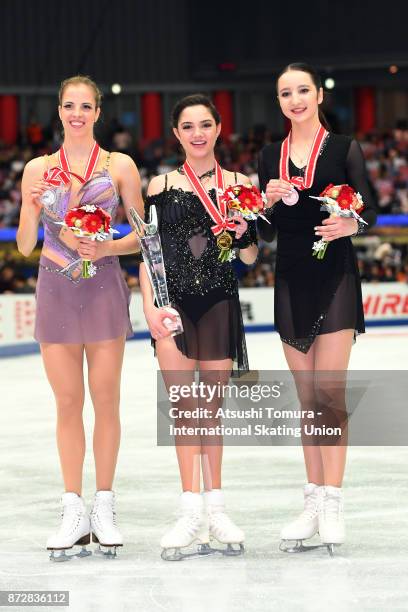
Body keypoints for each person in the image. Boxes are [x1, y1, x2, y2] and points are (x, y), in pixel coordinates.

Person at [17, 75, 143, 560]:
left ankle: (104, 507)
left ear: (97, 113)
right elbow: (26, 244)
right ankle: (73, 508)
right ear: (59, 109)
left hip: (104, 286)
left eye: (85, 106)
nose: (76, 113)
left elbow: (143, 235)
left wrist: (108, 244)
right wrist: (30, 208)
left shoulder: (119, 166)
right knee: (68, 404)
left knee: (105, 401)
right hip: (55, 287)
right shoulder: (37, 169)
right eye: (69, 105)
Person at [257, 63, 377, 553]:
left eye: (302, 90)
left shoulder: (346, 148)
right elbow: (263, 230)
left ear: (319, 94)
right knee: (307, 401)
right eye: (286, 92)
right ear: (280, 101)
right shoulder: (270, 154)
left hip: (335, 278)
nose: (295, 99)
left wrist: (353, 225)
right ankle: (311, 500)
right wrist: (265, 200)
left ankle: (332, 499)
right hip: (290, 279)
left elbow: (364, 208)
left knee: (330, 397)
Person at [140, 94, 258, 560]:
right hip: (173, 308)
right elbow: (150, 256)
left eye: (205, 124)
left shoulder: (238, 183)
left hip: (217, 303)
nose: (197, 133)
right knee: (184, 410)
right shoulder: (158, 185)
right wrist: (150, 309)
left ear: (218, 128)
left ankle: (217, 508)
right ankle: (189, 511)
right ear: (176, 133)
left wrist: (244, 229)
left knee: (211, 410)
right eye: (187, 126)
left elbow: (248, 256)